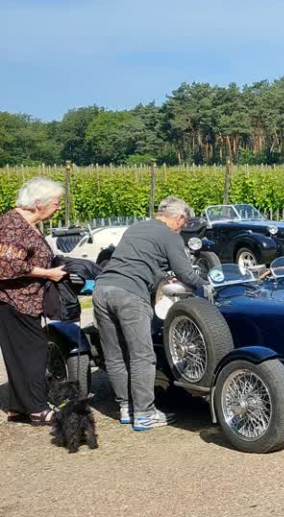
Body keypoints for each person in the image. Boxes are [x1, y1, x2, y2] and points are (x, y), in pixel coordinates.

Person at [93, 196, 206, 430]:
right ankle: (145, 413)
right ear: (179, 218)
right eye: (184, 223)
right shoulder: (170, 235)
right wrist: (206, 286)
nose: (183, 227)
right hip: (130, 293)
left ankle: (126, 408)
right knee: (142, 355)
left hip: (102, 288)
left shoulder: (136, 227)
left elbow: (139, 260)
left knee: (115, 354)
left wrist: (161, 275)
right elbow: (186, 273)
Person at [0, 177, 67, 425]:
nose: (58, 208)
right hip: (15, 301)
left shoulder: (26, 223)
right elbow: (6, 265)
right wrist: (47, 273)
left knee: (20, 354)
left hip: (23, 300)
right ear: (39, 202)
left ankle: (19, 408)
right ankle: (38, 409)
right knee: (33, 353)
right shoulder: (13, 225)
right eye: (56, 203)